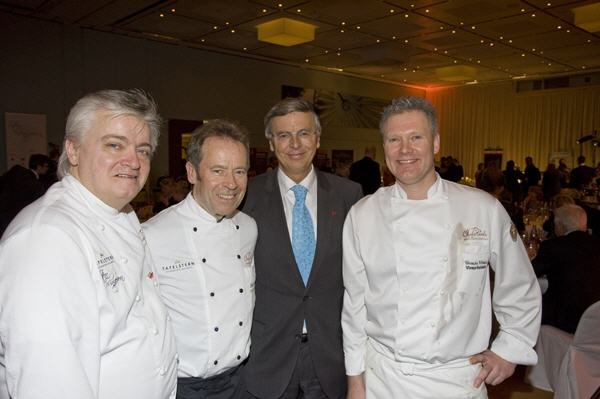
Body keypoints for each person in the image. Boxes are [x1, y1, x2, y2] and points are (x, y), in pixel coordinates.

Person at [342, 96, 541, 399]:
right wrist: (355, 380)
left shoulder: (481, 207)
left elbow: (519, 283)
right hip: (384, 379)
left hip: (458, 381)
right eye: (394, 139)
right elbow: (354, 305)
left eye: (416, 137)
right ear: (384, 147)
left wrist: (510, 348)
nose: (405, 150)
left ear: (435, 143)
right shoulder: (362, 214)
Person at [0, 89, 178, 398]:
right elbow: (47, 384)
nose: (133, 161)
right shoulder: (47, 239)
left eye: (143, 150)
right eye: (114, 145)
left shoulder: (122, 215)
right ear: (73, 150)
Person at [241, 97, 362, 399]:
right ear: (271, 143)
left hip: (330, 356)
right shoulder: (245, 197)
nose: (295, 143)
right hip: (268, 356)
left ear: (317, 139)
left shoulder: (349, 195)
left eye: (304, 133)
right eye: (283, 135)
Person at [143, 119, 257, 399]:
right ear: (192, 173)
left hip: (242, 380)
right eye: (218, 170)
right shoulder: (152, 235)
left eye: (239, 171)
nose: (231, 183)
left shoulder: (248, 227)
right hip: (184, 387)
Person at [532, 204, 600, 334]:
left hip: (564, 320)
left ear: (560, 226)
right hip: (595, 320)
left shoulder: (553, 247)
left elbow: (530, 272)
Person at [0, 153, 50, 235]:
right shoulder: (34, 184)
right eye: (46, 166)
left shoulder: (17, 172)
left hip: (4, 213)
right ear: (39, 167)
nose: (47, 169)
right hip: (15, 219)